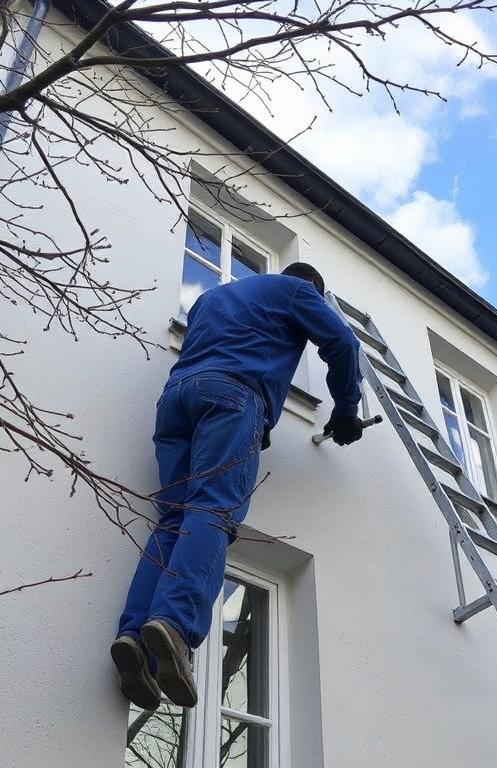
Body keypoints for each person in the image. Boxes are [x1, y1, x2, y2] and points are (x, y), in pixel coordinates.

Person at [110, 262, 362, 711]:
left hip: (176, 400)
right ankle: (174, 624)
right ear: (311, 287)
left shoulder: (213, 298)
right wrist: (346, 409)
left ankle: (134, 639)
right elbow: (342, 342)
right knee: (212, 510)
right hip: (232, 396)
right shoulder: (296, 291)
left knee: (174, 519)